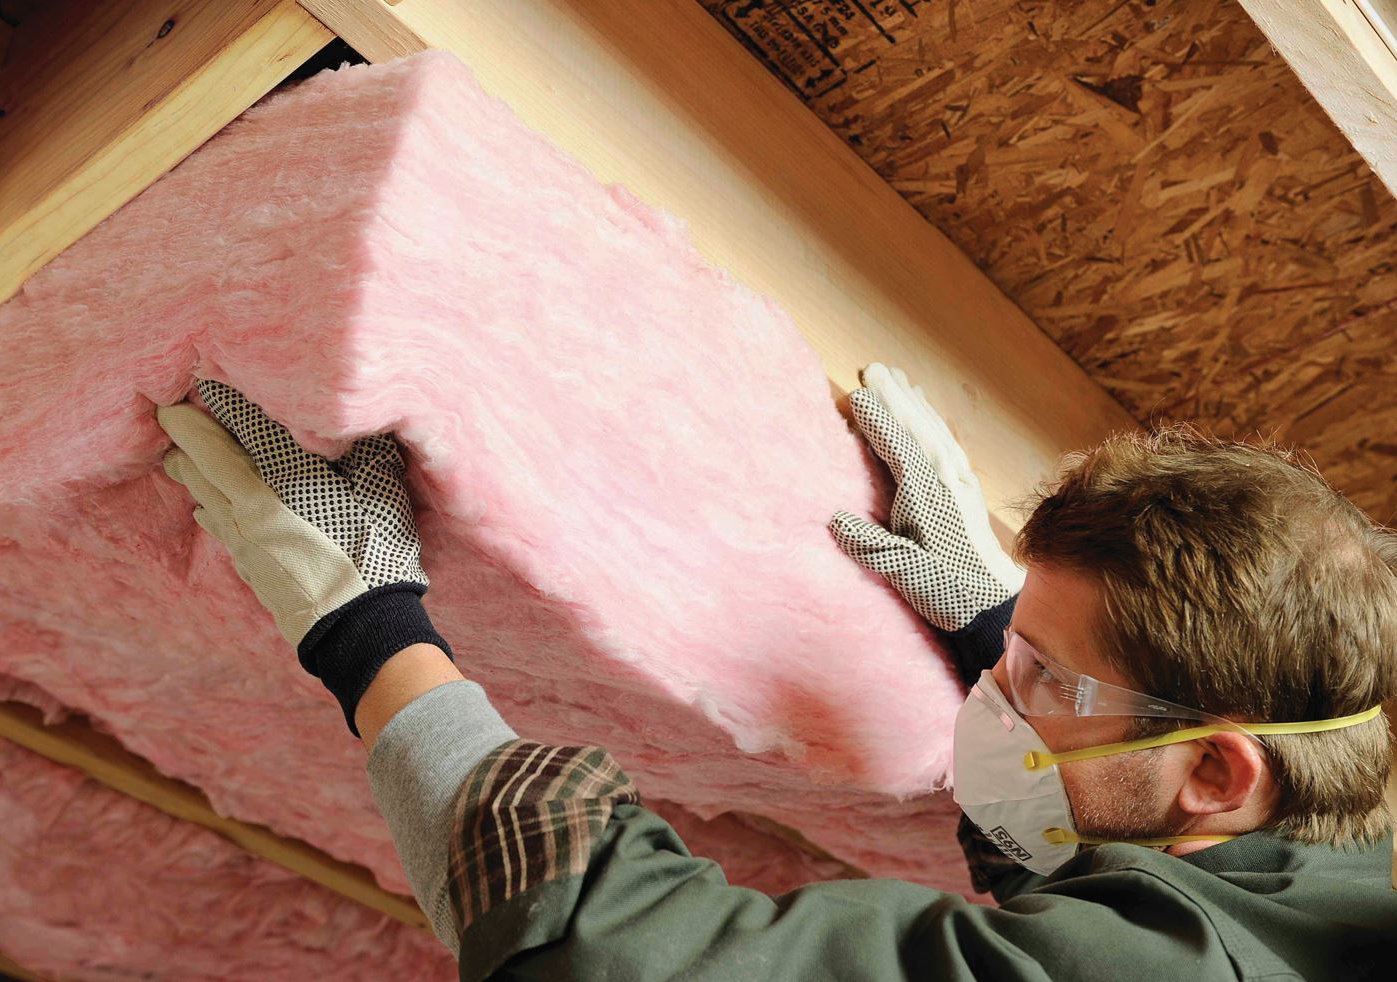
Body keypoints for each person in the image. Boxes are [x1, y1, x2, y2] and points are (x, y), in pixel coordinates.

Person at [156, 365, 1397, 980]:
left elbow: (624, 953)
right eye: (1012, 651)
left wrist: (363, 621)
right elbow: (1126, 864)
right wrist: (1002, 625)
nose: (995, 696)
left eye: (1044, 678)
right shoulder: (1333, 854)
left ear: (1217, 770)